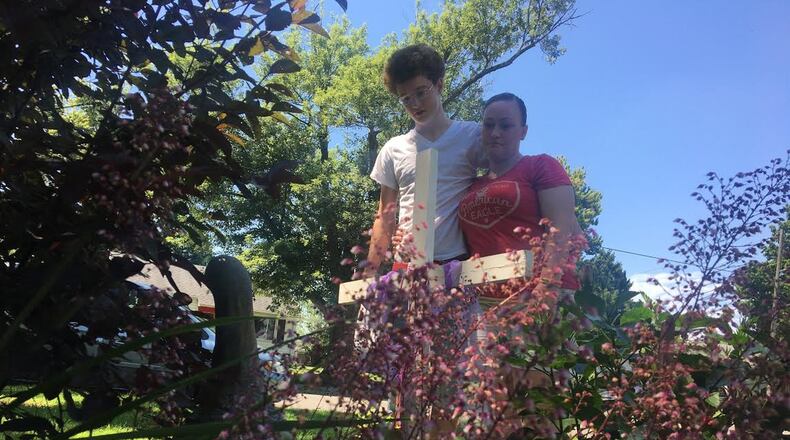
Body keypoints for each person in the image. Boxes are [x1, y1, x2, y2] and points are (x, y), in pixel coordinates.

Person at [365, 44, 480, 275]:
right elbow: (385, 217)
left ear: (439, 85)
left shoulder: (474, 135)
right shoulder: (393, 148)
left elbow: (503, 183)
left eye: (420, 92)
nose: (414, 104)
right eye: (405, 98)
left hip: (457, 265)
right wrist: (367, 275)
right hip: (405, 265)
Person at [458, 92, 583, 291]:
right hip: (483, 301)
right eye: (489, 125)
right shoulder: (470, 185)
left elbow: (563, 233)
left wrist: (545, 289)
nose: (495, 133)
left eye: (505, 125)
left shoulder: (540, 166)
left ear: (523, 131)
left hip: (539, 295)